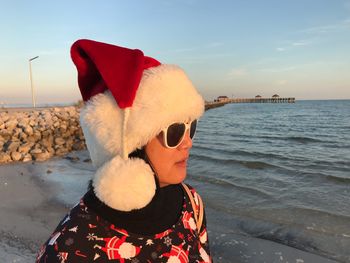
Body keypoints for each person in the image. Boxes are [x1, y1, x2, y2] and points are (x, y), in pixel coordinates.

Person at [36, 39, 212, 263]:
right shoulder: (68, 250)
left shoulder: (191, 203)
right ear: (129, 144)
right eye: (175, 130)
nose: (188, 142)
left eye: (191, 126)